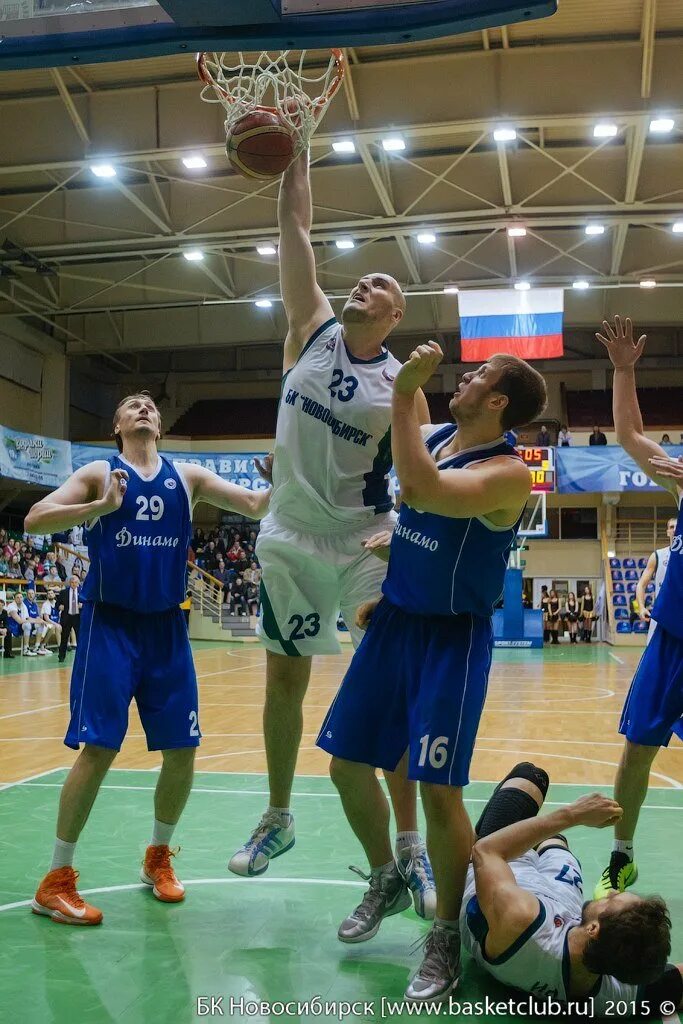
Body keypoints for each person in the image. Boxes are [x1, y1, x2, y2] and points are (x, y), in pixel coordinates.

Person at [229, 148, 437, 920]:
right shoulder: (309, 330)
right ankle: (278, 816)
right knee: (284, 680)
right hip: (286, 533)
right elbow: (293, 222)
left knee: (386, 683)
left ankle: (409, 845)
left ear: (394, 316)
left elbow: (417, 477)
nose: (365, 282)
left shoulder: (399, 386)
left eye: (381, 284)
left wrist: (405, 533)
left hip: (360, 541)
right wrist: (298, 150)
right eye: (362, 275)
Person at [318, 342, 547, 1000]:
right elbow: (418, 508)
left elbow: (420, 487)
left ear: (497, 401)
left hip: (451, 639)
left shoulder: (508, 473)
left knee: (436, 789)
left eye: (478, 375)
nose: (465, 378)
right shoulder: (441, 435)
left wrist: (400, 389)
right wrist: (398, 561)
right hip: (395, 621)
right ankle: (385, 875)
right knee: (343, 764)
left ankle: (444, 931)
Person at [25, 391, 271, 927]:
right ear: (117, 424)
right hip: (109, 625)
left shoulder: (187, 477)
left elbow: (255, 506)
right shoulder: (99, 472)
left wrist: (282, 480)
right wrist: (98, 509)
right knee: (99, 748)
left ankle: (157, 856)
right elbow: (35, 519)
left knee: (183, 750)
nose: (143, 408)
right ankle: (55, 879)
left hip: (165, 630)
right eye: (131, 404)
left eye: (151, 405)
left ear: (159, 424)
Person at [460, 762, 681, 1015]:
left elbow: (487, 851)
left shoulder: (521, 919)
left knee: (531, 777)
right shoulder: (618, 994)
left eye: (612, 900)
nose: (610, 892)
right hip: (561, 903)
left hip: (505, 868)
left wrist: (574, 814)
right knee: (556, 842)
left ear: (594, 928)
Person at [593, 316, 683, 901]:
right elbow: (629, 437)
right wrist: (624, 371)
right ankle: (621, 857)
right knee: (637, 749)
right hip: (671, 641)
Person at [636, 517, 677, 644]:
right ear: (667, 532)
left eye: (677, 526)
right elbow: (641, 585)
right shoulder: (658, 555)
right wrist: (641, 607)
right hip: (661, 615)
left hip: (680, 614)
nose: (675, 530)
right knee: (655, 660)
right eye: (671, 527)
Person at [55, 575, 82, 663]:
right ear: (70, 583)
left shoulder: (82, 592)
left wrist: (83, 606)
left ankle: (81, 657)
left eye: (75, 582)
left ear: (78, 583)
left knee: (80, 638)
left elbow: (88, 604)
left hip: (78, 618)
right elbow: (57, 604)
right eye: (72, 582)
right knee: (64, 637)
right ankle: (61, 656)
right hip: (67, 617)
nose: (74, 584)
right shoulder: (63, 592)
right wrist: (59, 606)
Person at [22, 587, 48, 656]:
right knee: (28, 625)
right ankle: (26, 649)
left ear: (34, 595)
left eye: (32, 593)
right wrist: (37, 621)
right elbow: (27, 618)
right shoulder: (24, 603)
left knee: (42, 624)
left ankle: (37, 647)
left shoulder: (34, 604)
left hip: (33, 622)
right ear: (27, 595)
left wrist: (41, 621)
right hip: (23, 623)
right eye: (29, 593)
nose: (31, 595)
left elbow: (37, 616)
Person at [40, 589, 61, 654]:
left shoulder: (57, 603)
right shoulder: (45, 604)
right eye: (48, 594)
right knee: (55, 627)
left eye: (51, 593)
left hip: (56, 622)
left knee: (67, 625)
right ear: (47, 596)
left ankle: (62, 646)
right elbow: (46, 618)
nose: (50, 595)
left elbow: (60, 615)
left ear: (54, 595)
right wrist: (56, 624)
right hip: (46, 623)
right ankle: (43, 644)